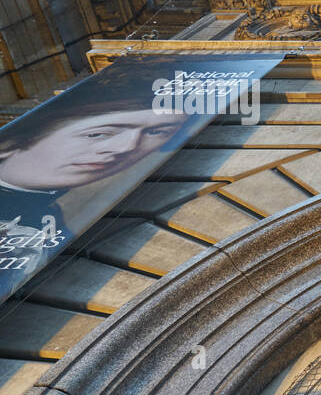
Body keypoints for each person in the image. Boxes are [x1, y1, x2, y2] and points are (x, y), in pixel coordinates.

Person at [0, 90, 193, 299]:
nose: (125, 148)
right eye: (96, 134)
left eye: (157, 132)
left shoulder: (50, 215)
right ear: (11, 145)